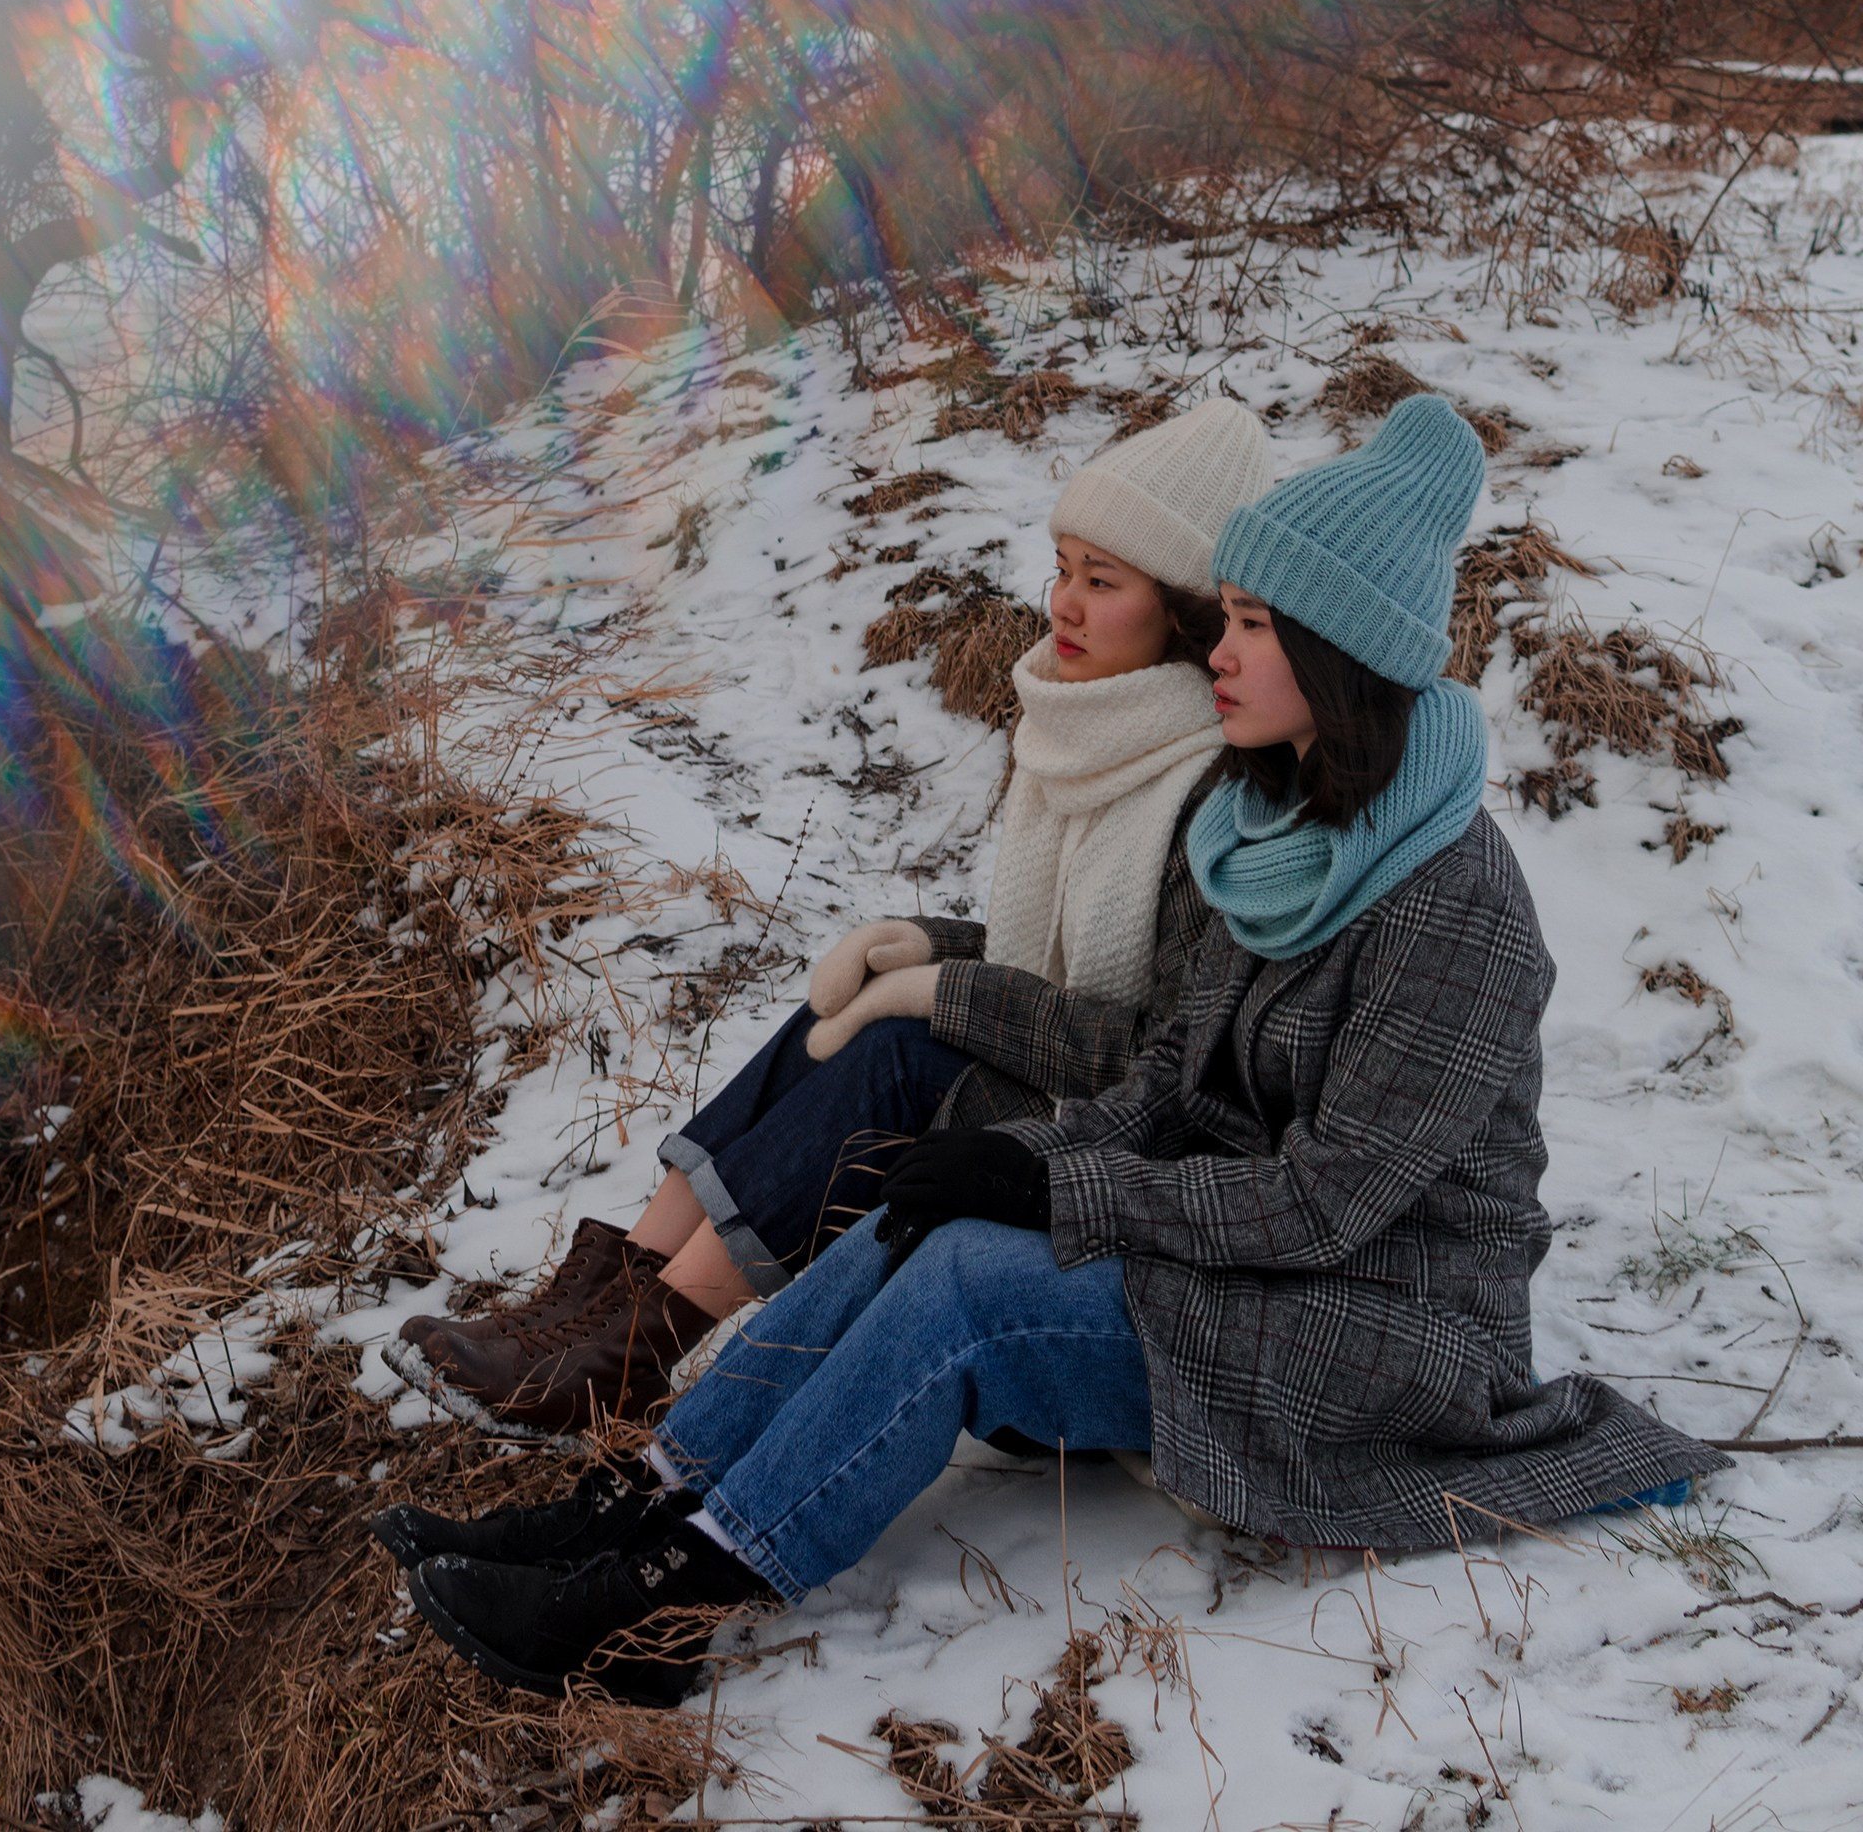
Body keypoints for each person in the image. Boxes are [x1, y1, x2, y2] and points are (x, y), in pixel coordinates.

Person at [380, 392, 1721, 1700]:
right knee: (919, 1219)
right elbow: (1170, 1081)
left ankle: (675, 1600)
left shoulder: (1452, 906)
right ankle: (638, 1503)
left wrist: (1056, 1188)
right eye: (1226, 617)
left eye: (1254, 625)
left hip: (1380, 1327)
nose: (1220, 653)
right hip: (1244, 1264)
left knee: (970, 1281)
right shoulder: (1281, 831)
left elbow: (1328, 1204)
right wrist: (1021, 1156)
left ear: (1343, 652)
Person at [385, 399, 1273, 1438]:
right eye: (1063, 568)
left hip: (1122, 1153)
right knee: (841, 1013)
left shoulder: (1214, 793)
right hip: (1062, 1085)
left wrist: (942, 990)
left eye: (1102, 581)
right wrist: (922, 949)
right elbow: (1051, 960)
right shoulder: (1085, 733)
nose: (1062, 605)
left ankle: (637, 1349)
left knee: (895, 1051)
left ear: (1182, 611)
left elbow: (1157, 1055)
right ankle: (590, 1305)